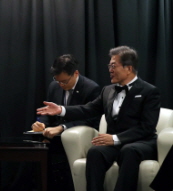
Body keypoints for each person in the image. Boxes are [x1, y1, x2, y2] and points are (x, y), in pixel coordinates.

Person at [37, 46, 161, 191]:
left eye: (113, 65)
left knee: (129, 151)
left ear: (129, 68)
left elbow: (147, 127)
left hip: (141, 142)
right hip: (115, 144)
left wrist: (115, 138)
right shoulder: (108, 90)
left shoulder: (149, 91)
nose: (110, 69)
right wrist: (61, 110)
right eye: (109, 65)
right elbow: (88, 109)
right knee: (95, 152)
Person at [31, 54, 100, 191]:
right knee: (36, 149)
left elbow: (91, 120)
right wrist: (41, 123)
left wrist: (62, 128)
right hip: (53, 137)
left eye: (64, 81)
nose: (61, 85)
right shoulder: (54, 86)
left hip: (77, 138)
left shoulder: (91, 89)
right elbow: (48, 113)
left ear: (76, 73)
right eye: (58, 81)